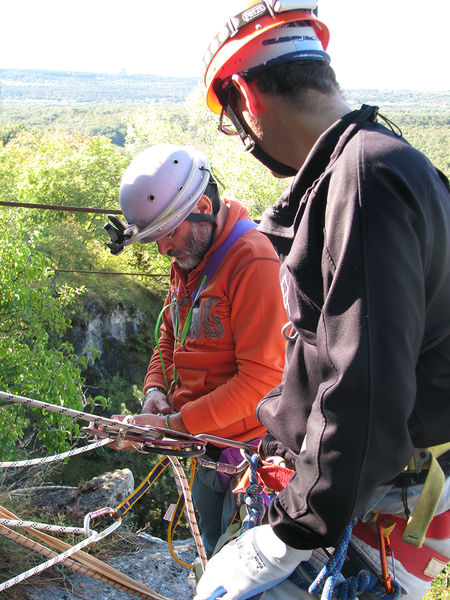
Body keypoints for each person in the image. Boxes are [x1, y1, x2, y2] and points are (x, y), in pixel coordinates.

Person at [195, 1, 450, 599]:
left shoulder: (363, 182)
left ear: (247, 99)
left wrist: (291, 532)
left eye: (233, 121)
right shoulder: (382, 161)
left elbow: (367, 393)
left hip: (373, 501)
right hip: (380, 490)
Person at [105, 143, 287, 558]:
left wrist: (173, 424)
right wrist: (155, 391)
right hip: (204, 446)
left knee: (243, 570)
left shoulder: (254, 262)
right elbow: (170, 333)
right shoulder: (191, 257)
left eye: (166, 234)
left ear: (202, 206)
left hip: (250, 459)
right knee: (211, 552)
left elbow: (262, 380)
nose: (163, 250)